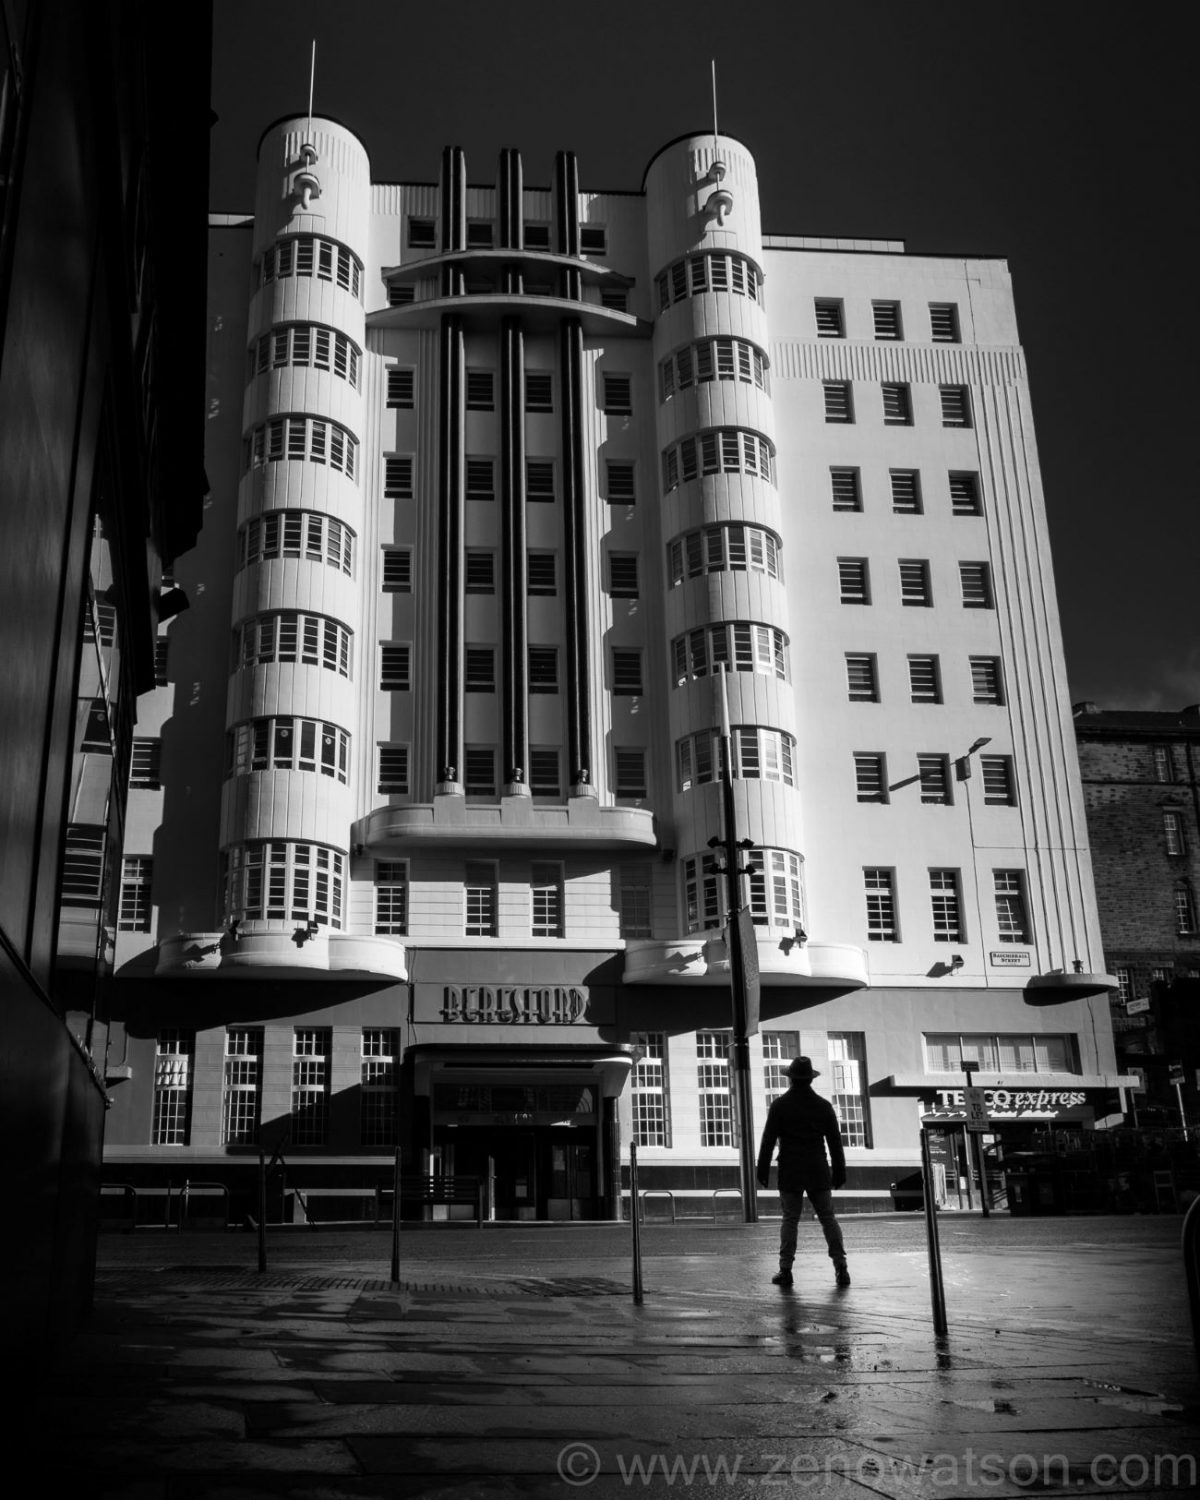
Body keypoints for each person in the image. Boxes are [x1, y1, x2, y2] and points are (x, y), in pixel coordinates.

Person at [756, 1056, 850, 1289]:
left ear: (790, 1079)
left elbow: (768, 1140)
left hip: (791, 1170)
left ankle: (785, 1270)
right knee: (828, 1218)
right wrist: (839, 1171)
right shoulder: (823, 1106)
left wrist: (762, 1169)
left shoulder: (780, 1106)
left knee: (790, 1220)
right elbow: (835, 1143)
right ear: (810, 1079)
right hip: (818, 1168)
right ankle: (841, 1268)